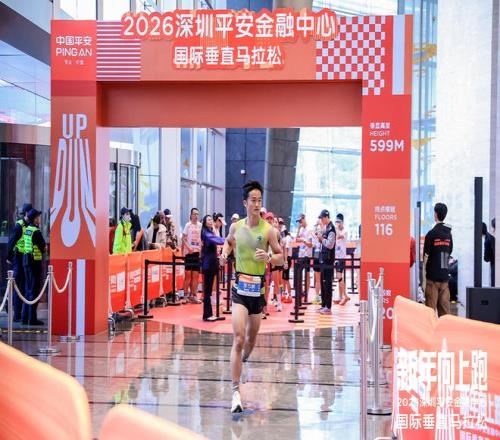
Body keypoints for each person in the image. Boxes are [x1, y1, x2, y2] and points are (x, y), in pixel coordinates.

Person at [219, 180, 283, 413]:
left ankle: (243, 359)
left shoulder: (269, 230)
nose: (256, 204)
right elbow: (228, 243)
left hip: (257, 293)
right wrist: (224, 254)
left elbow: (281, 257)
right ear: (245, 203)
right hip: (239, 290)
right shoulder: (236, 227)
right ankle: (235, 392)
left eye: (259, 200)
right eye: (253, 200)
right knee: (238, 338)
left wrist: (269, 257)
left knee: (250, 340)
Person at [422, 203, 453, 317]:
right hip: (444, 278)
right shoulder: (449, 235)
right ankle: (444, 329)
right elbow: (449, 252)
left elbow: (426, 257)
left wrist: (424, 279)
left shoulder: (431, 234)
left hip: (432, 279)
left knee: (430, 313)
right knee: (445, 314)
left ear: (435, 214)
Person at [6, 203, 32, 322]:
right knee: (18, 286)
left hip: (26, 258)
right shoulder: (19, 225)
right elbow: (12, 241)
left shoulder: (30, 225)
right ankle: (16, 314)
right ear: (26, 213)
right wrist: (9, 257)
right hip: (18, 257)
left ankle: (21, 314)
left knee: (23, 286)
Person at [22, 209, 46, 325]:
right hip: (34, 263)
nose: (39, 219)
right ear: (35, 219)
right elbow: (43, 248)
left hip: (26, 261)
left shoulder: (27, 230)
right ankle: (32, 319)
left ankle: (25, 317)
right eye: (38, 217)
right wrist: (45, 248)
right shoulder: (36, 232)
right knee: (34, 291)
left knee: (28, 290)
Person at [200, 215, 225, 321]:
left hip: (212, 263)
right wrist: (228, 240)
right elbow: (217, 240)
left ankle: (210, 314)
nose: (211, 221)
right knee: (207, 291)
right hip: (208, 264)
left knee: (209, 290)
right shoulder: (206, 233)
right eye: (208, 219)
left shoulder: (210, 231)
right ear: (205, 222)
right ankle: (207, 315)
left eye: (211, 219)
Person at [316, 209, 336, 315]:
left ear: (326, 217)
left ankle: (328, 307)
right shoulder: (326, 228)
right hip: (323, 260)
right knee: (323, 283)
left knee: (327, 284)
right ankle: (323, 305)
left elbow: (330, 245)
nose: (321, 220)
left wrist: (321, 239)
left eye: (322, 218)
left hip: (328, 261)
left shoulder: (331, 229)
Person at [182, 207, 202, 304]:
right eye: (194, 214)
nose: (196, 215)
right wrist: (188, 248)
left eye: (197, 214)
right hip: (189, 253)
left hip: (197, 253)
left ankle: (194, 295)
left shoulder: (200, 225)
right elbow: (183, 238)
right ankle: (185, 296)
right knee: (188, 276)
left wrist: (201, 248)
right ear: (191, 215)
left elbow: (202, 238)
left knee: (195, 276)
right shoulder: (188, 225)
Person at [296, 213, 314, 301]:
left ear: (304, 219)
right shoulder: (301, 229)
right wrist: (298, 229)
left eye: (301, 221)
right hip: (301, 254)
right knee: (299, 274)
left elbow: (311, 244)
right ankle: (301, 292)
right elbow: (296, 239)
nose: (300, 223)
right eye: (299, 222)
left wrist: (303, 240)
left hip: (307, 255)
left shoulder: (309, 230)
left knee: (307, 274)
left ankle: (306, 293)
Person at [334, 213, 350, 306]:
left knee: (339, 276)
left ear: (342, 222)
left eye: (339, 222)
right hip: (336, 257)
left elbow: (339, 236)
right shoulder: (336, 230)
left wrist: (336, 228)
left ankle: (345, 295)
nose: (337, 223)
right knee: (339, 277)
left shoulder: (345, 231)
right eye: (336, 221)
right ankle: (340, 297)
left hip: (341, 258)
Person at [281, 229, 293, 302]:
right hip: (285, 259)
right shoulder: (287, 238)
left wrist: (285, 261)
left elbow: (286, 249)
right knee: (284, 278)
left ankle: (289, 295)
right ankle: (284, 294)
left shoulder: (287, 238)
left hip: (287, 259)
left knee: (286, 278)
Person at [483, 221, 495, 287]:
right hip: (494, 263)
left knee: (494, 283)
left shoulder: (487, 240)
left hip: (494, 264)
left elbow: (486, 258)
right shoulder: (491, 237)